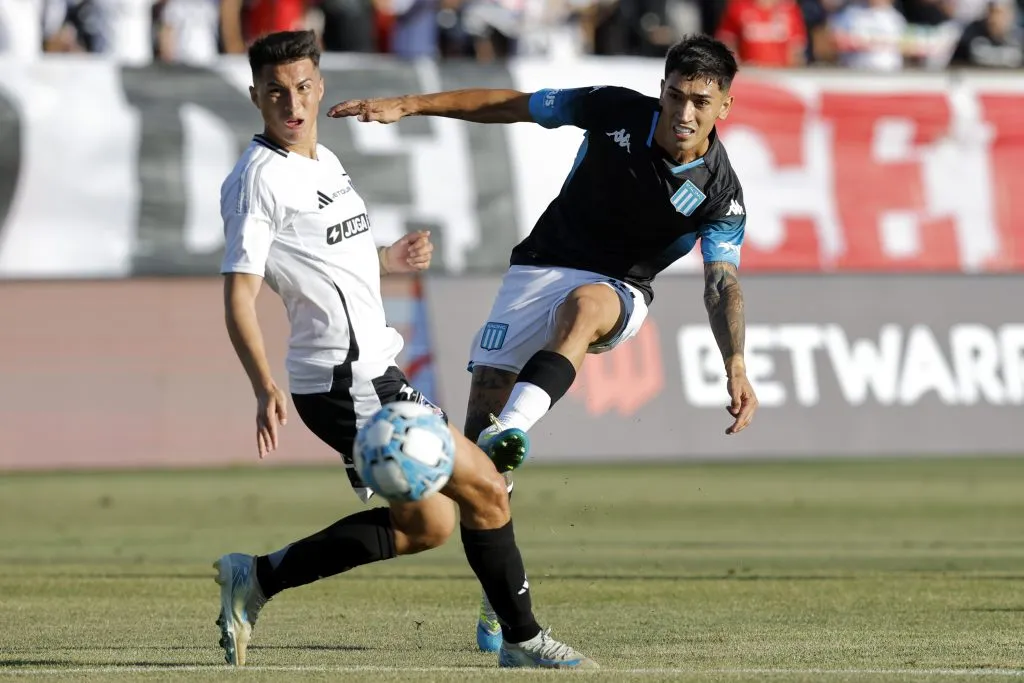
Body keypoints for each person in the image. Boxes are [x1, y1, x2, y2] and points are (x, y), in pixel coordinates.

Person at [328, 33, 759, 652]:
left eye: (700, 101)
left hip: (620, 289)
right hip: (539, 267)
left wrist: (736, 364)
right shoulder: (612, 108)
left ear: (725, 107)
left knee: (584, 310)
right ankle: (498, 597)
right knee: (478, 457)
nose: (683, 114)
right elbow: (513, 104)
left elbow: (722, 283)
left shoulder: (721, 193)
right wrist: (411, 105)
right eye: (674, 96)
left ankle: (520, 426)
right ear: (660, 91)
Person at [215, 29, 596, 670]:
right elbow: (238, 295)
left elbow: (325, 257)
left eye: (303, 87)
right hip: (344, 380)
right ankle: (522, 639)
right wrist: (261, 384)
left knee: (430, 525)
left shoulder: (323, 163)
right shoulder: (257, 181)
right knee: (486, 491)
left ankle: (255, 578)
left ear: (320, 86)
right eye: (276, 92)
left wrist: (386, 258)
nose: (292, 103)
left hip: (371, 373)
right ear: (255, 96)